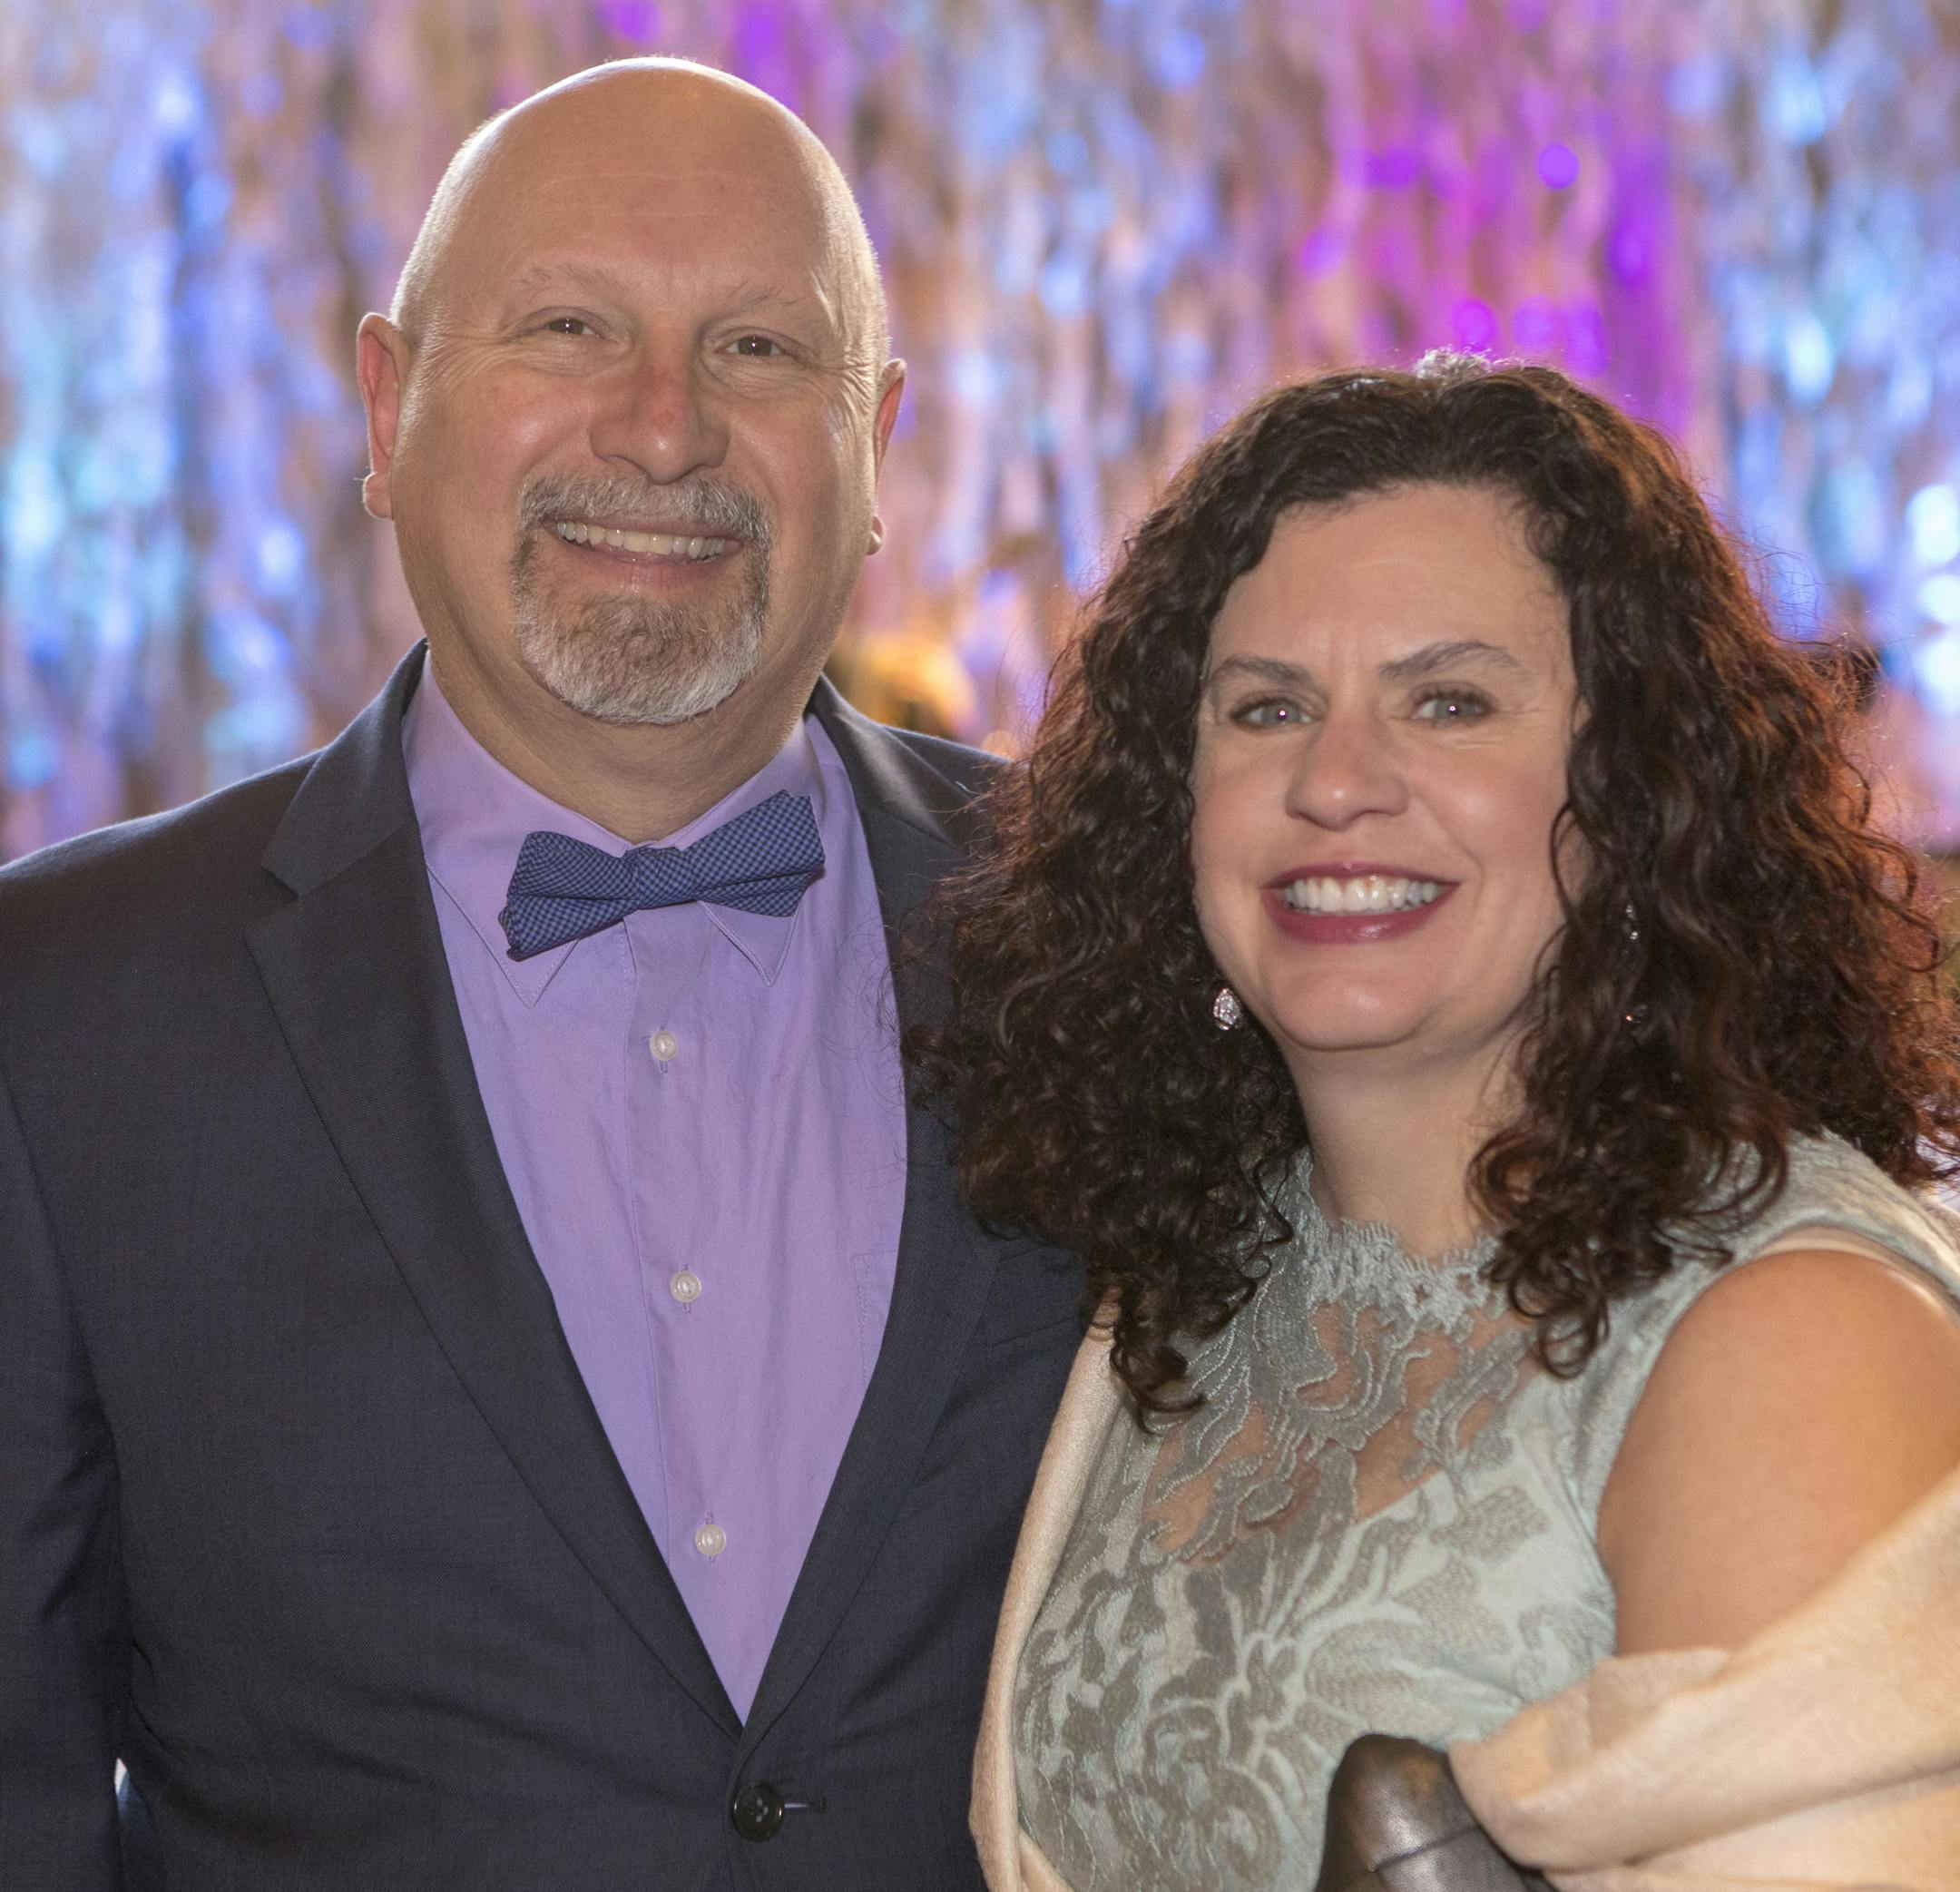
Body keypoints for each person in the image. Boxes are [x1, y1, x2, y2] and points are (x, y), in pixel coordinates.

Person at [0, 59, 1081, 1891]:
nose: (662, 433)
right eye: (569, 326)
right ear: (386, 403)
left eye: (758, 349)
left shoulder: (1109, 928)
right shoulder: (61, 1008)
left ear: (879, 440)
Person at [918, 355, 1960, 1888]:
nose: (1337, 781)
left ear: (1631, 791)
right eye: (1266, 707)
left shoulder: (1791, 1339)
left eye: (1450, 700)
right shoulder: (1195, 1286)